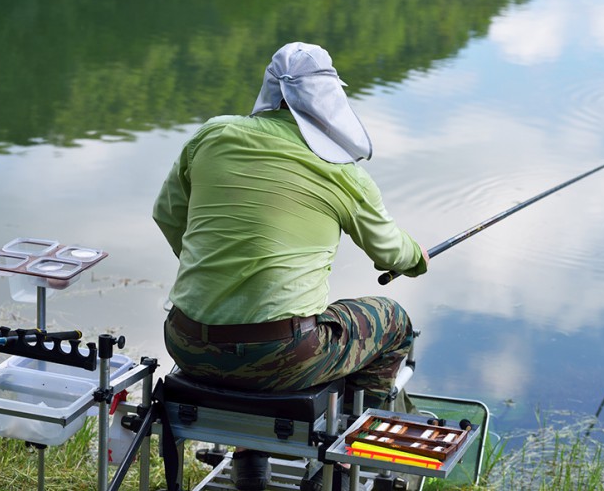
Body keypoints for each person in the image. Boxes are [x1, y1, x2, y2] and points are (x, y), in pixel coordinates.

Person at [153, 42, 428, 490]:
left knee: (280, 330)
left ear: (270, 91)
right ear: (329, 98)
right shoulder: (341, 172)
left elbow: (167, 216)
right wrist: (418, 257)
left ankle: (249, 463)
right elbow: (393, 254)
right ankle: (345, 463)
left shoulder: (213, 136)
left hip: (186, 342)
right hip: (284, 357)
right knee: (393, 321)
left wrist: (218, 274)